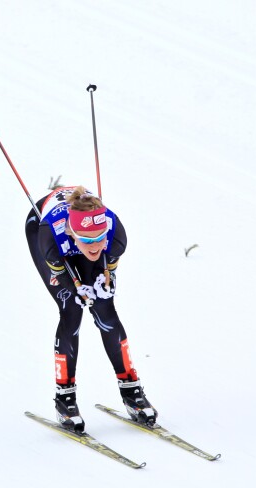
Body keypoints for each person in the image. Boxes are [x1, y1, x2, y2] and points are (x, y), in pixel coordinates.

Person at [25, 185, 157, 433]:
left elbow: (106, 267)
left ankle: (132, 391)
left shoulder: (116, 236)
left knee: (104, 308)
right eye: (87, 240)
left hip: (76, 233)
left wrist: (105, 283)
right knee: (72, 309)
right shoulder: (51, 238)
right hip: (45, 232)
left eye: (99, 238)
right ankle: (65, 401)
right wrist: (76, 287)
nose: (94, 246)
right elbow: (65, 275)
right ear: (74, 234)